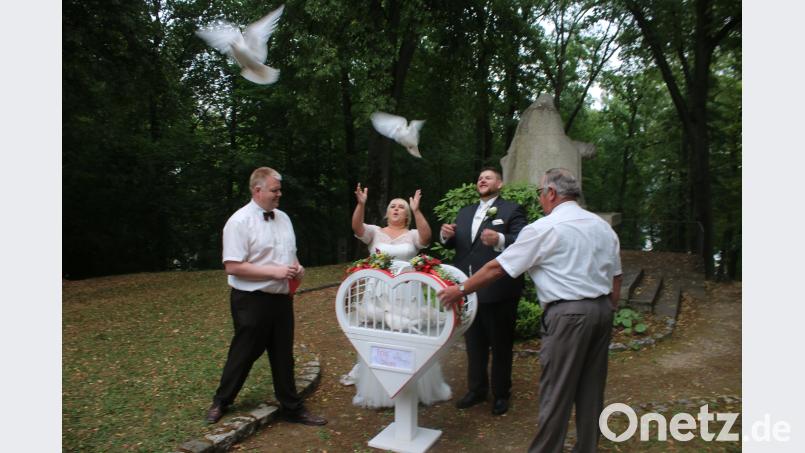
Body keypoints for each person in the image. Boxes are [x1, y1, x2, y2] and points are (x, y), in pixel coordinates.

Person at [438, 168, 623, 452]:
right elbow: (616, 275)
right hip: (602, 312)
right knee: (591, 389)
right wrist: (608, 307)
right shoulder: (601, 226)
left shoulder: (544, 228)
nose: (539, 199)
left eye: (540, 192)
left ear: (551, 193)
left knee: (556, 391)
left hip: (568, 315)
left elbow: (497, 268)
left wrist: (460, 290)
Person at [205, 167, 327, 426]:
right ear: (257, 190)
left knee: (283, 355)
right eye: (275, 190)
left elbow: (288, 253)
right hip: (251, 300)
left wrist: (297, 267)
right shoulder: (238, 222)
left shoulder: (283, 218)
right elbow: (233, 266)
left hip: (282, 299)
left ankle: (292, 407)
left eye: (279, 189)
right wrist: (275, 272)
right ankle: (221, 401)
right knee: (244, 352)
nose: (279, 194)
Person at [341, 183, 452, 408]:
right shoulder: (374, 232)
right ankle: (379, 389)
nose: (396, 209)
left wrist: (418, 210)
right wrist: (361, 204)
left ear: (407, 215)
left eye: (402, 207)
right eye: (393, 206)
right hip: (377, 291)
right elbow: (356, 228)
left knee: (406, 332)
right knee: (378, 333)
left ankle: (413, 386)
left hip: (406, 291)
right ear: (386, 212)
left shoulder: (412, 235)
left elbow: (427, 238)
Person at [439, 166, 527, 416]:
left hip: (500, 289)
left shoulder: (512, 209)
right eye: (479, 177)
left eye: (488, 177)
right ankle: (477, 390)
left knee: (501, 345)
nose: (482, 179)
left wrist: (499, 240)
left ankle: (501, 394)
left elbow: (522, 240)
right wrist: (447, 236)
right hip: (468, 290)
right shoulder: (465, 212)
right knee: (474, 343)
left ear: (500, 184)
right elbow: (462, 246)